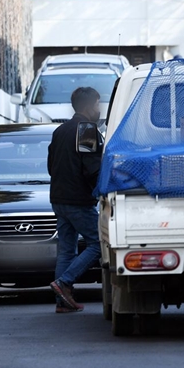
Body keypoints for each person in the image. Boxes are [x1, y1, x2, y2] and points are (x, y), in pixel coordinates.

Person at [48, 87, 103, 313]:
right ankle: (64, 282)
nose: (99, 109)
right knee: (98, 244)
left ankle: (63, 303)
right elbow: (91, 169)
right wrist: (100, 189)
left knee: (66, 250)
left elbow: (51, 167)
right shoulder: (87, 130)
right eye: (98, 104)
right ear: (90, 107)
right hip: (78, 201)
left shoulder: (60, 131)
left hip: (59, 199)